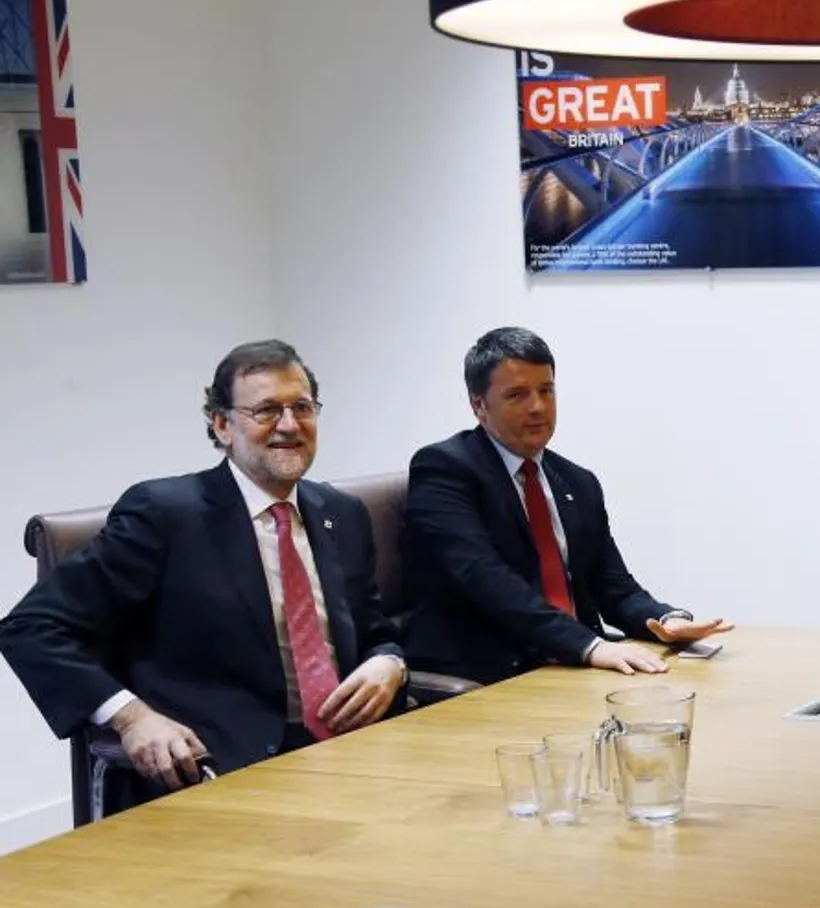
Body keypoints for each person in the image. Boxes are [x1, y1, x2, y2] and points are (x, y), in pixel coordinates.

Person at [0, 340, 406, 796]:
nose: (290, 425)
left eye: (302, 407)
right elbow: (30, 627)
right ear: (222, 424)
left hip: (359, 752)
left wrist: (388, 663)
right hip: (228, 766)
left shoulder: (340, 512)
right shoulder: (165, 515)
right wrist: (133, 717)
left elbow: (375, 630)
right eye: (267, 410)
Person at [401, 327, 730, 684]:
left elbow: (614, 586)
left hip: (568, 661)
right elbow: (485, 581)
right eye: (517, 395)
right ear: (479, 405)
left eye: (546, 390)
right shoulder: (445, 469)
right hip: (492, 672)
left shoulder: (576, 480)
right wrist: (589, 646)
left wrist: (667, 621)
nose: (538, 407)